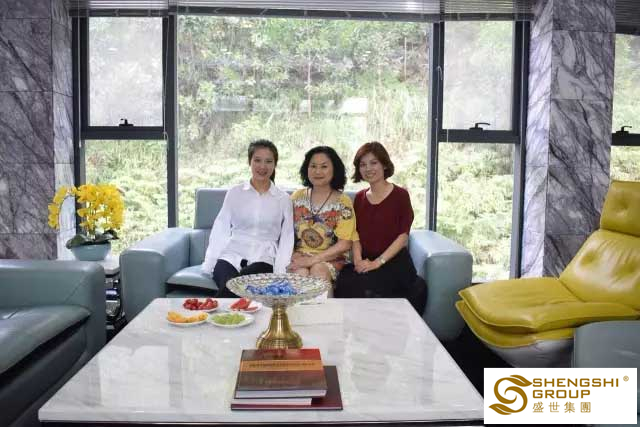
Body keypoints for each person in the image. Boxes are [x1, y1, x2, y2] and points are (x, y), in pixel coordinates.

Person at [335, 142, 426, 314]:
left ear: (384, 164)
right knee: (347, 283)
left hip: (393, 261)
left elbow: (403, 236)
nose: (368, 168)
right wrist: (358, 261)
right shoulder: (359, 198)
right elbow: (355, 234)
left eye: (373, 163)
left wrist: (378, 262)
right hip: (365, 260)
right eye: (363, 164)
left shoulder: (400, 195)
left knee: (369, 286)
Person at [201, 139, 294, 297]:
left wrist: (280, 271)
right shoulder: (235, 193)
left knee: (240, 285)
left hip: (264, 258)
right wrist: (210, 262)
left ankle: (207, 309)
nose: (262, 167)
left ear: (275, 165)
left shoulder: (283, 199)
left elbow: (287, 237)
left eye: (268, 161)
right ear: (249, 161)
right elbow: (221, 228)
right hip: (231, 255)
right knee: (230, 284)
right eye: (257, 160)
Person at [288, 146, 358, 295]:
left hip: (330, 259)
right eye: (313, 166)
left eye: (324, 166)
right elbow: (284, 233)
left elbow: (345, 243)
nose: (317, 171)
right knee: (300, 274)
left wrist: (312, 260)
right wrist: (293, 255)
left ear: (335, 170)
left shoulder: (343, 202)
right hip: (299, 257)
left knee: (319, 271)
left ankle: (324, 311)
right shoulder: (296, 197)